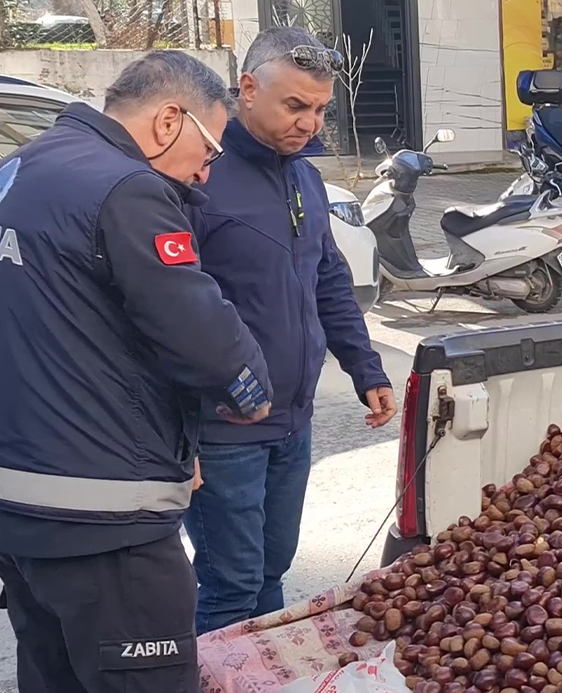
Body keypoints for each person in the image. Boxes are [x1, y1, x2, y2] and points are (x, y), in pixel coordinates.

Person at [0, 51, 272, 693]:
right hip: (104, 518)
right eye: (211, 149)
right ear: (170, 119)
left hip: (13, 507)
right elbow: (199, 331)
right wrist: (250, 392)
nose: (205, 173)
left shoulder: (21, 167)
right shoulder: (127, 188)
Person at [184, 26, 396, 634]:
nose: (309, 123)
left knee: (272, 568)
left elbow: (327, 277)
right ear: (247, 89)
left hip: (292, 420)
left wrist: (365, 366)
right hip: (223, 427)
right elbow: (166, 308)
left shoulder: (302, 175)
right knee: (231, 582)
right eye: (295, 105)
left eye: (321, 109)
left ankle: (265, 672)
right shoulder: (199, 174)